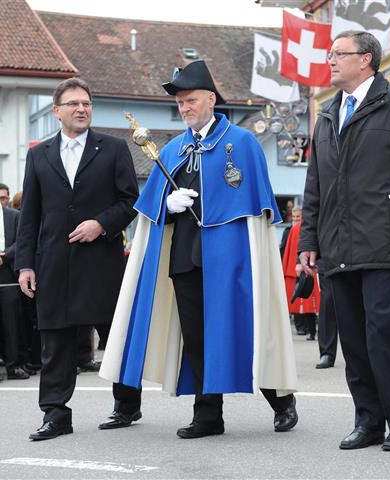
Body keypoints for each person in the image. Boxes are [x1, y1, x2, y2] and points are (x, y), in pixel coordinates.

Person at [99, 60, 298, 438]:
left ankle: (280, 399)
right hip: (187, 259)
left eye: (190, 100)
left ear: (210, 99)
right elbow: (150, 208)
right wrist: (166, 206)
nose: (185, 108)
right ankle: (208, 415)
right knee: (198, 337)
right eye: (180, 103)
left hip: (235, 259)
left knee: (247, 327)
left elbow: (258, 204)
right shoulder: (172, 149)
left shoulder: (241, 142)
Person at [298, 30, 390, 452]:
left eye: (338, 54)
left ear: (366, 60)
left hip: (385, 239)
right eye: (330, 55)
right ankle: (367, 420)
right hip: (338, 244)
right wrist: (310, 238)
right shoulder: (328, 114)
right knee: (354, 339)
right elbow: (315, 185)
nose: (330, 61)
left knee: (385, 332)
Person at [15, 77, 139, 441]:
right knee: (55, 341)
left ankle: (127, 403)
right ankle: (55, 414)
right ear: (57, 111)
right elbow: (30, 216)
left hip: (101, 263)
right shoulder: (39, 155)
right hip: (53, 264)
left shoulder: (114, 148)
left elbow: (131, 200)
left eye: (86, 103)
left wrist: (100, 223)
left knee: (114, 336)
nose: (82, 108)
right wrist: (25, 264)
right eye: (73, 104)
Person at [0, 196, 29, 379]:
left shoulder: (13, 216)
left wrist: (4, 256)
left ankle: (13, 365)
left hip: (8, 272)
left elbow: (22, 241)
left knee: (11, 322)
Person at [282, 207, 319, 339]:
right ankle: (307, 329)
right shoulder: (293, 230)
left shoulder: (295, 229)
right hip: (305, 266)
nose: (296, 219)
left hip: (298, 267)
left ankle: (306, 329)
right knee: (305, 299)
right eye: (294, 217)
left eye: (298, 217)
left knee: (300, 297)